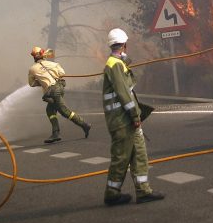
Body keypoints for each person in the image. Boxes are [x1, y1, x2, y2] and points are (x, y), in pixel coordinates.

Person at [101, 28, 164, 206]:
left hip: (127, 120)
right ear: (124, 45)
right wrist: (135, 115)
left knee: (139, 154)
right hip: (121, 121)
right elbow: (124, 94)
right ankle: (112, 193)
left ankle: (143, 191)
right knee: (121, 157)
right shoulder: (114, 65)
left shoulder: (118, 64)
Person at [28, 46, 91, 144]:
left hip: (52, 92)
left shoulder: (32, 69)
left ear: (34, 57)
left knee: (64, 111)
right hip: (60, 88)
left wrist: (41, 81)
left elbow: (31, 84)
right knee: (50, 110)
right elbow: (62, 74)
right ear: (43, 55)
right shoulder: (54, 64)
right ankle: (55, 133)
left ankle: (84, 125)